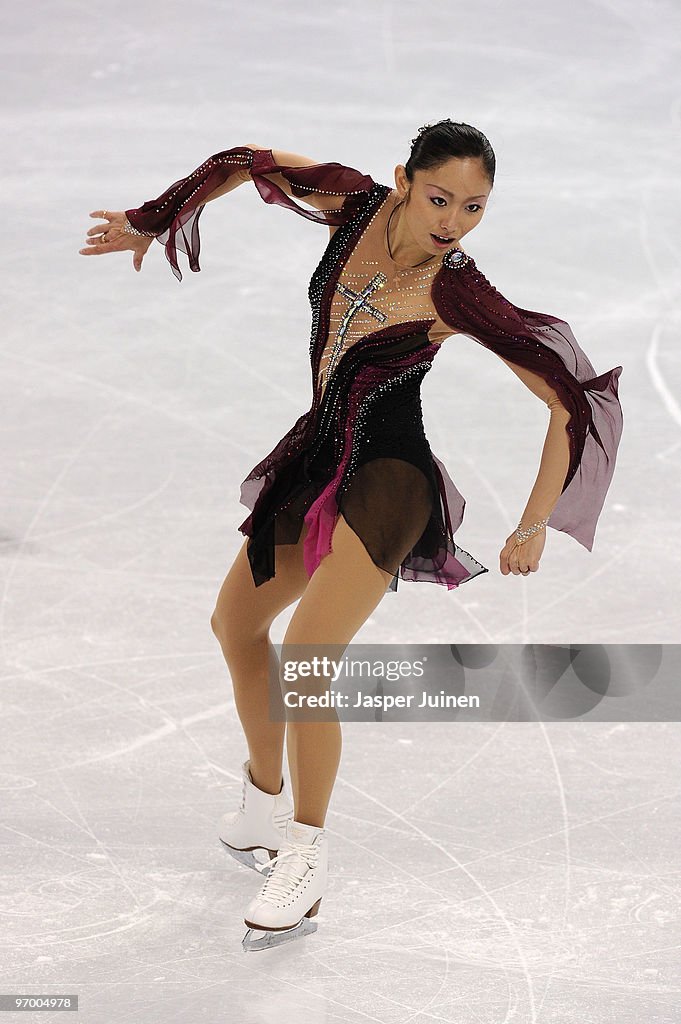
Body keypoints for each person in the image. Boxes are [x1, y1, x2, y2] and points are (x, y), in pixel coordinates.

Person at [79, 119, 623, 952]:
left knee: (306, 656)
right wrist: (156, 219)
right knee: (236, 624)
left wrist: (532, 521)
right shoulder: (352, 203)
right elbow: (244, 160)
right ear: (403, 179)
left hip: (389, 478)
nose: (452, 220)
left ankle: (306, 849)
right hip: (316, 454)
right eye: (440, 197)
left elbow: (565, 400)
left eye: (473, 207)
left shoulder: (457, 289)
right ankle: (261, 806)